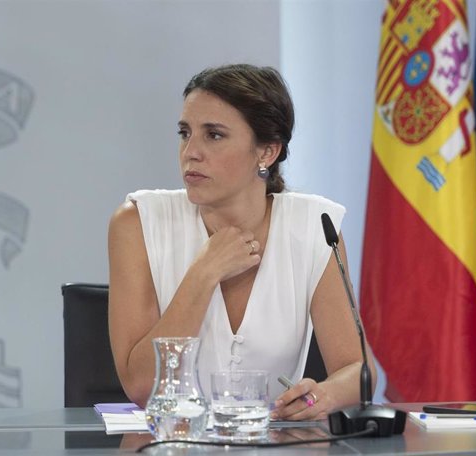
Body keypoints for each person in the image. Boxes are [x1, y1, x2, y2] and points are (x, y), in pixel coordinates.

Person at [108, 63, 376, 421]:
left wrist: (322, 396)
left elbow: (358, 371)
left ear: (267, 152)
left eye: (213, 135)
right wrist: (203, 274)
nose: (190, 151)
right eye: (185, 133)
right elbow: (141, 387)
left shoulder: (315, 226)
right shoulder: (137, 221)